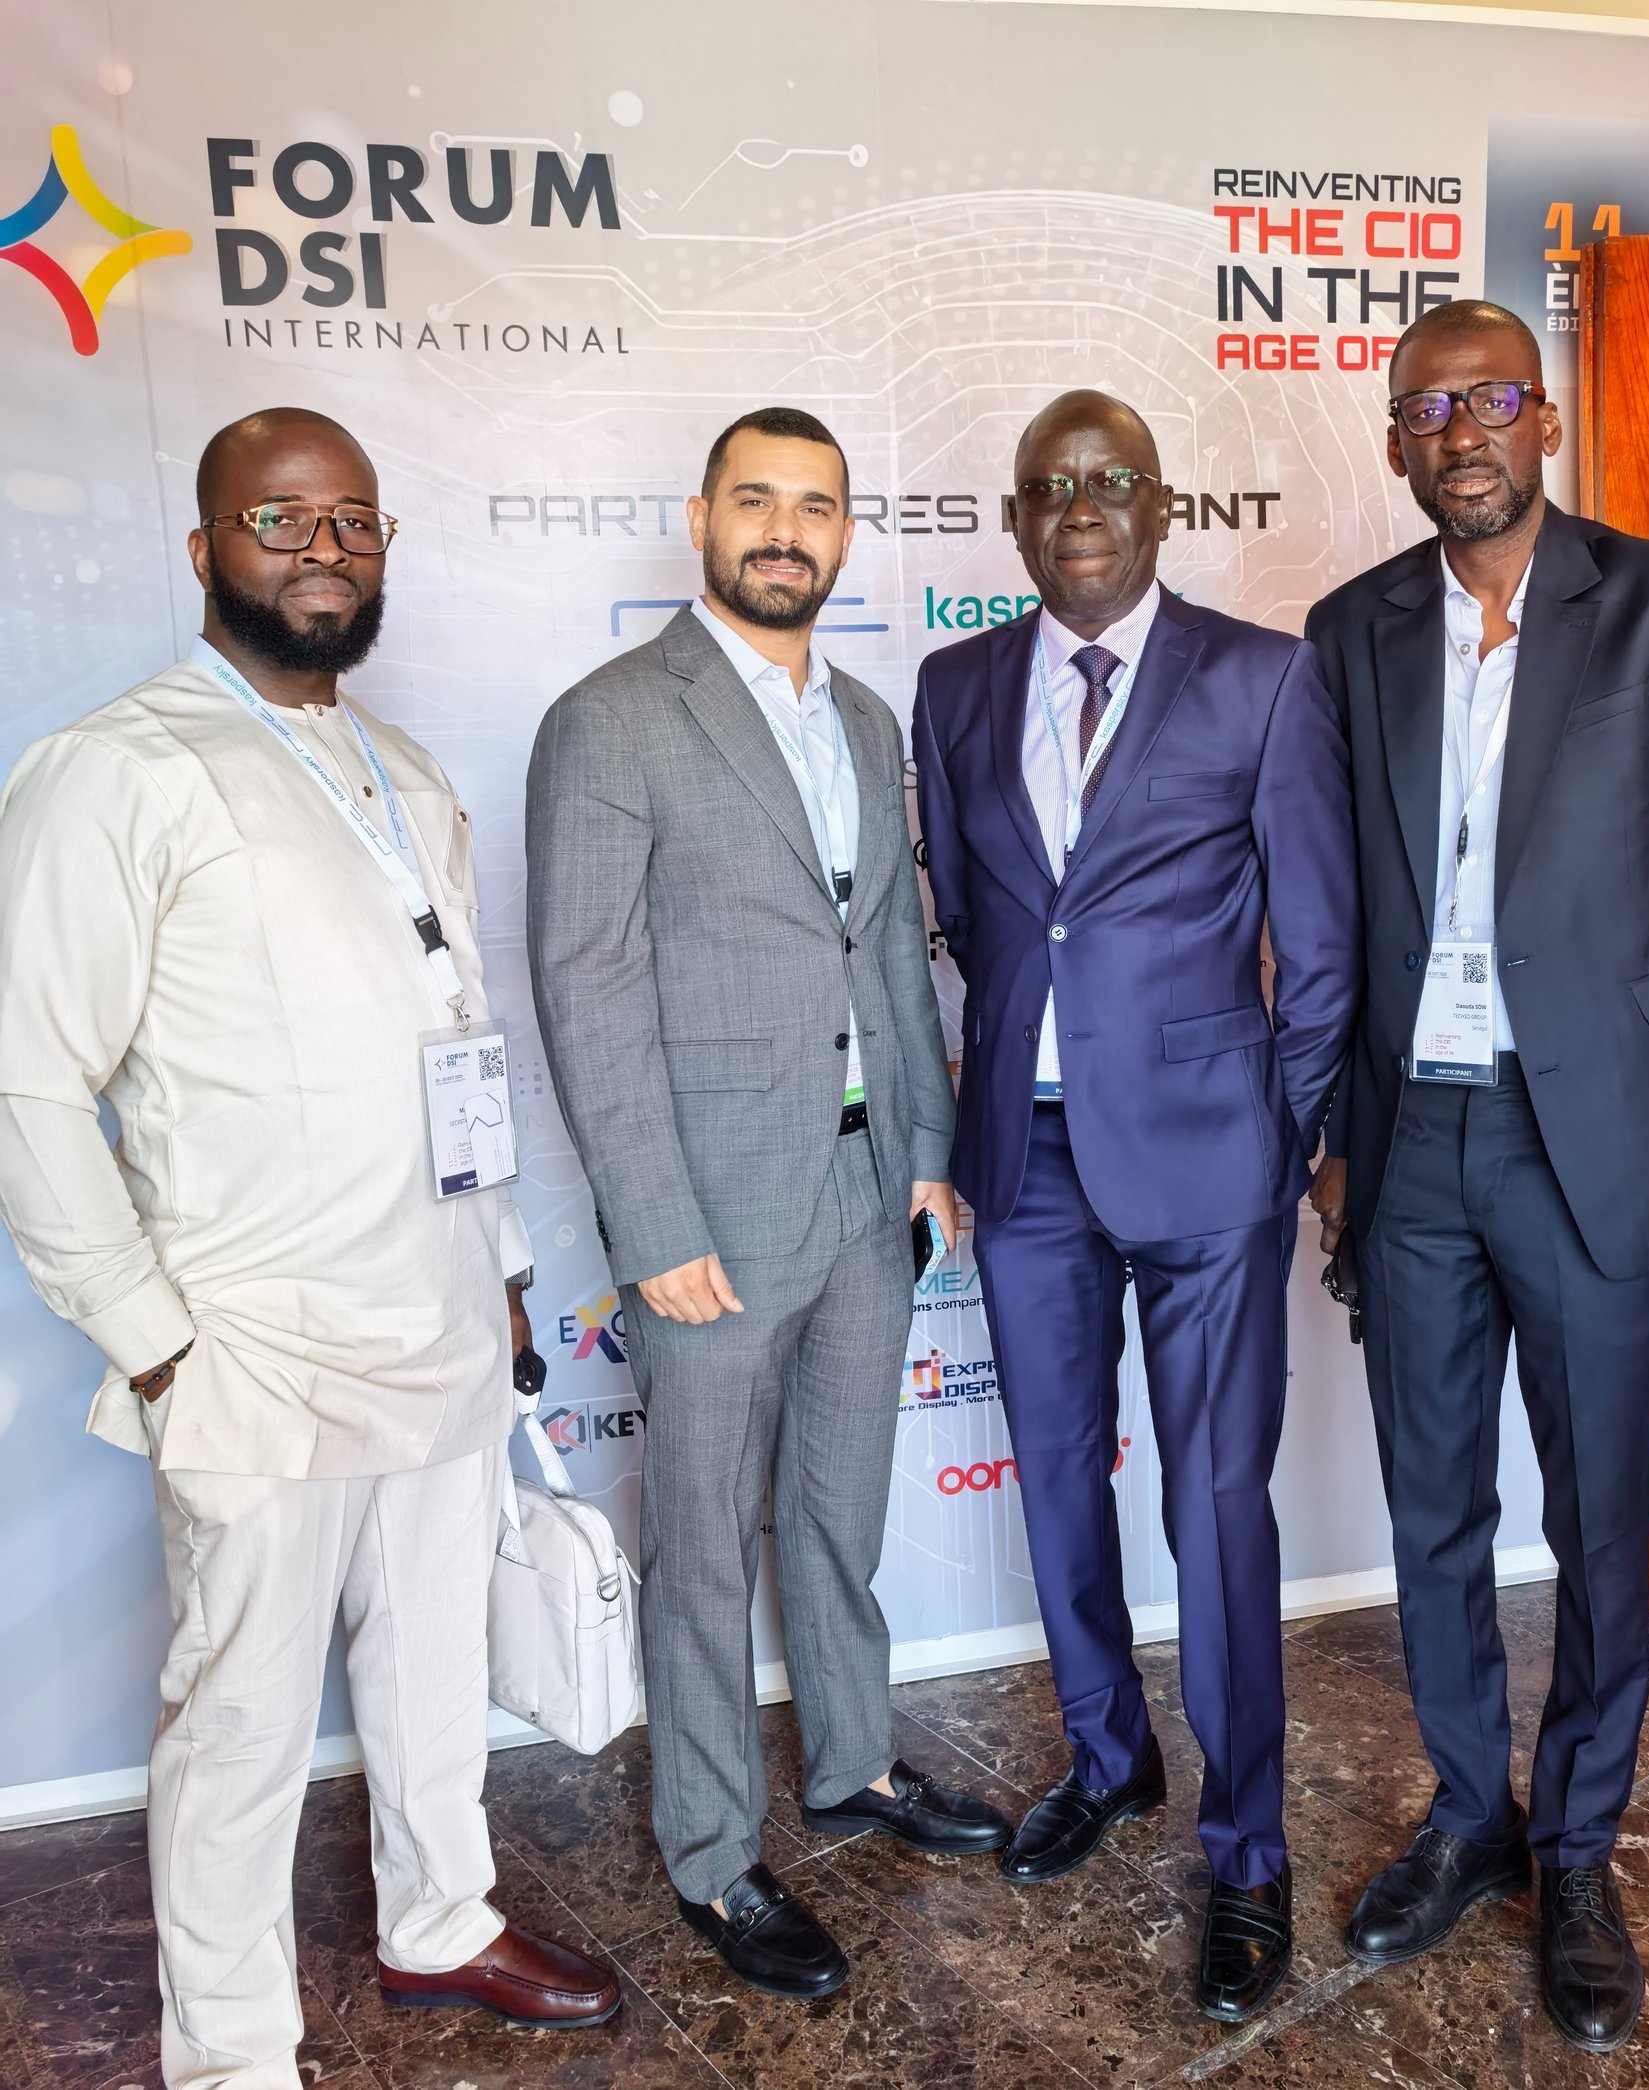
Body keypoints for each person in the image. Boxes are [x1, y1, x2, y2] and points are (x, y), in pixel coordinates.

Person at [0, 408, 619, 2090]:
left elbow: (458, 1043)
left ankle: (439, 1918)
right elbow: (28, 1082)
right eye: (280, 522)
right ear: (204, 550)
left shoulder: (405, 771)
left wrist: (499, 1269)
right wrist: (149, 1336)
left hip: (435, 1317)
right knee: (244, 1722)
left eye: (352, 521)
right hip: (251, 1345)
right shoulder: (112, 772)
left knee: (431, 1668)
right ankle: (232, 2051)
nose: (321, 549)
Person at [1305, 302, 1649, 2053]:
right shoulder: (1352, 629)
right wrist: (1339, 1143)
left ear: (1548, 422)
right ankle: (1470, 1813)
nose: (1463, 431)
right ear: (1393, 443)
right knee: (1431, 1516)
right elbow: (1342, 903)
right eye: (1427, 407)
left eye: (1493, 399)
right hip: (1414, 1140)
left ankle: (1578, 1847)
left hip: (1598, 1141)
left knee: (1597, 1528)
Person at [525, 405, 1009, 2003]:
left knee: (837, 1513)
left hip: (872, 1192)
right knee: (705, 1557)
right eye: (757, 501)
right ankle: (717, 1852)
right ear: (701, 516)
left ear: (848, 534)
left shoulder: (866, 721)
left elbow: (889, 953)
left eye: (815, 505)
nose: (785, 530)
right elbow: (587, 987)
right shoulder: (611, 720)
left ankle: (853, 1764)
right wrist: (651, 1225)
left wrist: (928, 1147)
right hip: (710, 1224)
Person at [912, 389, 1360, 2025]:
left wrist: (1287, 1140)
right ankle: (1111, 1751)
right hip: (1022, 1166)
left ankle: (1249, 1853)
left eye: (1110, 482)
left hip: (1206, 1166)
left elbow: (1316, 947)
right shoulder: (954, 686)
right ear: (1018, 524)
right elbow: (967, 919)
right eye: (1050, 487)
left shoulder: (1260, 675)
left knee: (1218, 1505)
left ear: (1162, 508)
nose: (1080, 506)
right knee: (1053, 1483)